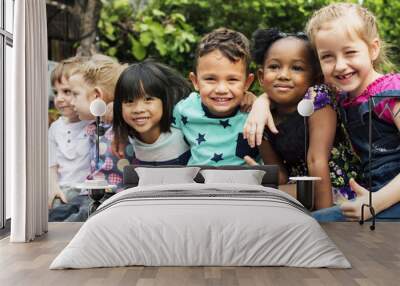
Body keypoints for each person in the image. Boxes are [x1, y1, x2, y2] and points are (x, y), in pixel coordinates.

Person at [247, 27, 361, 209]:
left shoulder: (317, 97)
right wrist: (259, 176)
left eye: (297, 68)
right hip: (301, 190)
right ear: (261, 76)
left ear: (315, 78)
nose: (283, 75)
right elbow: (281, 177)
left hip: (337, 190)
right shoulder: (261, 118)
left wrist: (325, 220)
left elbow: (317, 160)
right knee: (251, 195)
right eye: (274, 66)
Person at [305, 2, 400, 221]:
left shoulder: (390, 93)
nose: (339, 65)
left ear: (373, 49)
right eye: (327, 57)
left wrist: (376, 202)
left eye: (350, 52)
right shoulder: (344, 98)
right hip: (373, 196)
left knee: (317, 225)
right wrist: (260, 101)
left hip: (385, 199)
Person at [49, 54, 133, 222]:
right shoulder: (93, 126)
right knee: (53, 217)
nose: (70, 101)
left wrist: (116, 107)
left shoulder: (123, 120)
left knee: (70, 222)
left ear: (96, 96)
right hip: (89, 194)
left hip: (112, 198)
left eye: (74, 94)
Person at [173, 27, 259, 166]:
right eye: (210, 79)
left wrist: (260, 102)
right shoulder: (184, 109)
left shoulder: (255, 112)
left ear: (247, 82)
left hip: (244, 185)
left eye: (232, 80)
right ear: (195, 81)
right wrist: (123, 138)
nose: (221, 89)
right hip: (196, 185)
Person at [112, 60, 191, 165]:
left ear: (164, 100)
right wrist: (119, 132)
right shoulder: (128, 135)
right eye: (129, 101)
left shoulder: (184, 125)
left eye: (148, 99)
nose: (138, 109)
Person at [48, 56, 92, 210]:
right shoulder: (55, 128)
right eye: (55, 92)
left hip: (88, 192)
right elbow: (51, 166)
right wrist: (53, 189)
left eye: (67, 91)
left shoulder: (93, 123)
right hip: (63, 190)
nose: (59, 99)